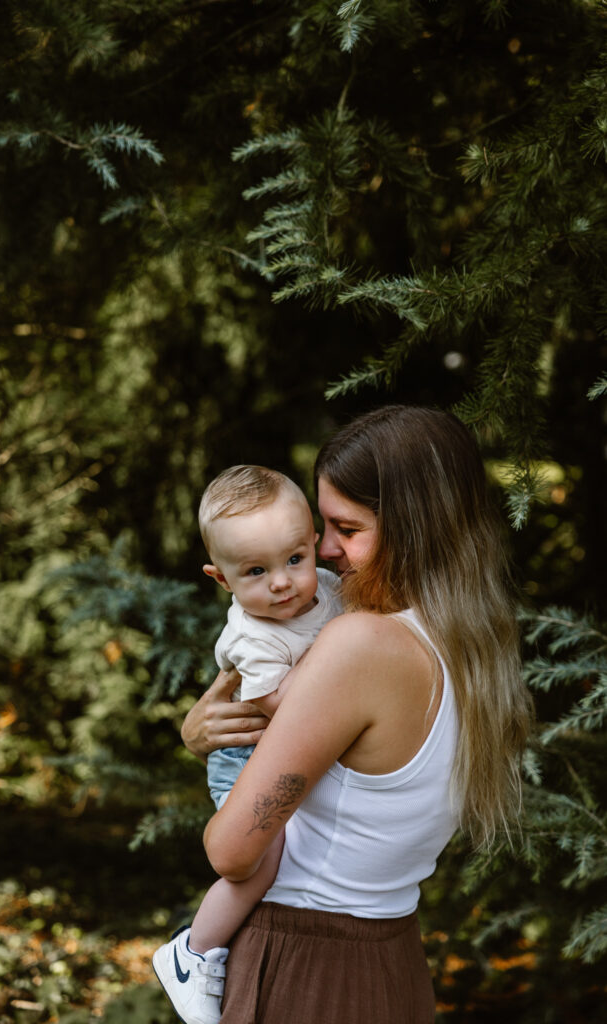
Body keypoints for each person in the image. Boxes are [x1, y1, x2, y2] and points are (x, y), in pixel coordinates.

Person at [182, 405, 534, 1024]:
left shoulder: (361, 645)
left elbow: (233, 854)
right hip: (393, 960)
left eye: (348, 527)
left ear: (415, 528)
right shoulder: (477, 646)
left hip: (304, 967)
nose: (324, 549)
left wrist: (210, 751)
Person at [153, 465, 343, 1024]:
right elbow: (278, 710)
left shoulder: (328, 590)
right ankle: (190, 954)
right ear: (222, 579)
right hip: (245, 753)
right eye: (256, 571)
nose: (281, 583)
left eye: (294, 560)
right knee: (259, 860)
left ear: (314, 546)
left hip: (285, 748)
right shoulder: (253, 635)